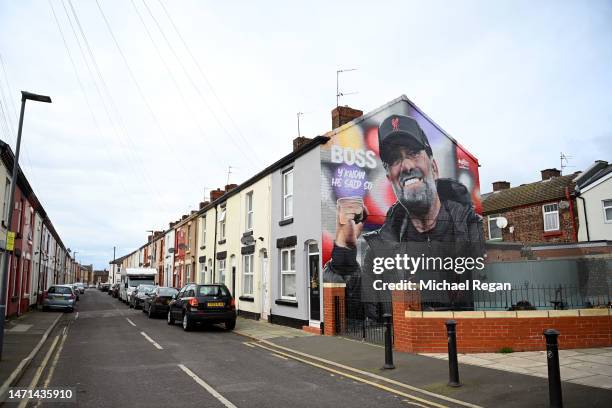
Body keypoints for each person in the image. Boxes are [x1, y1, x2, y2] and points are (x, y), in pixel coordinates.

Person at [324, 114, 485, 318]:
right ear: (390, 177)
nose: (406, 166)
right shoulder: (378, 251)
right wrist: (344, 250)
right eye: (395, 160)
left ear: (433, 168)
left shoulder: (472, 231)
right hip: (400, 346)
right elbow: (359, 318)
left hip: (460, 344)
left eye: (414, 153)